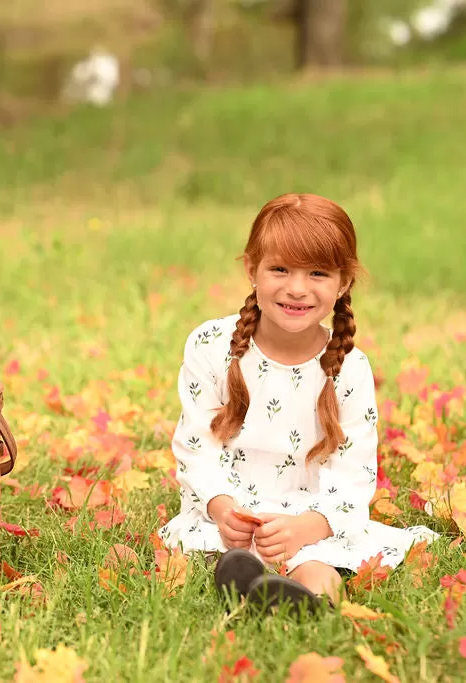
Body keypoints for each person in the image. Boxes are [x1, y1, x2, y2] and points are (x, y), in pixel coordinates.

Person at [158, 192, 438, 612]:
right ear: (252, 270)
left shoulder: (348, 367)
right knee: (227, 555)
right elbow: (196, 444)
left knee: (317, 567)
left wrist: (311, 526)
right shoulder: (211, 345)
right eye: (280, 269)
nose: (296, 288)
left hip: (311, 513)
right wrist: (221, 508)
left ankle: (304, 606)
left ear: (343, 283)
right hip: (232, 509)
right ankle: (244, 582)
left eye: (318, 273)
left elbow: (354, 471)